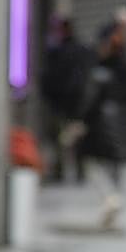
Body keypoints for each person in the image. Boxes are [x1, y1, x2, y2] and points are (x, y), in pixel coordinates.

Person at [77, 20, 126, 228]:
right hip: (121, 124)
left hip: (101, 124)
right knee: (115, 166)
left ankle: (110, 198)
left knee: (90, 161)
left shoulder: (101, 69)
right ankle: (114, 199)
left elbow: (92, 99)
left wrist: (82, 121)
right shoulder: (124, 66)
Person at [39, 16, 93, 184]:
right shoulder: (81, 50)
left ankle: (60, 170)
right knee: (75, 138)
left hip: (62, 103)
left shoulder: (59, 52)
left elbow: (51, 78)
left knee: (60, 138)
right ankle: (79, 170)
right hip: (77, 104)